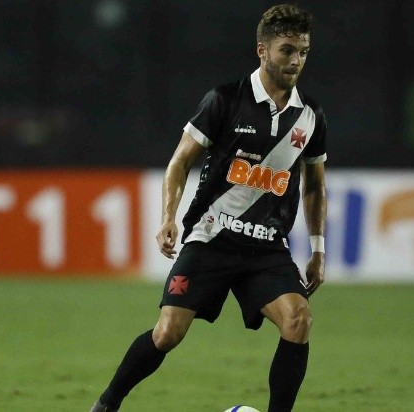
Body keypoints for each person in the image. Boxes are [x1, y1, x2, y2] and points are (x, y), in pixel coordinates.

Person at [90, 4, 327, 412]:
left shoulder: (310, 115)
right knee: (167, 333)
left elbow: (315, 186)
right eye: (287, 50)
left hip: (265, 247)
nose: (296, 61)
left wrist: (318, 248)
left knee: (298, 319)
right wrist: (168, 217)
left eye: (303, 52)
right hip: (212, 238)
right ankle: (106, 405)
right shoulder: (225, 99)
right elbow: (180, 161)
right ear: (262, 50)